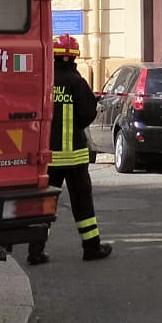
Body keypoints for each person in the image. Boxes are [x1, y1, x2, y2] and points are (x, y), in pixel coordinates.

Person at [35, 35, 112, 264]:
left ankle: (36, 250)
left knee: (46, 203)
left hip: (49, 157)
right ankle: (91, 248)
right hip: (75, 156)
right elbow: (89, 112)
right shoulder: (77, 82)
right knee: (82, 203)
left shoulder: (45, 81)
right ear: (73, 57)